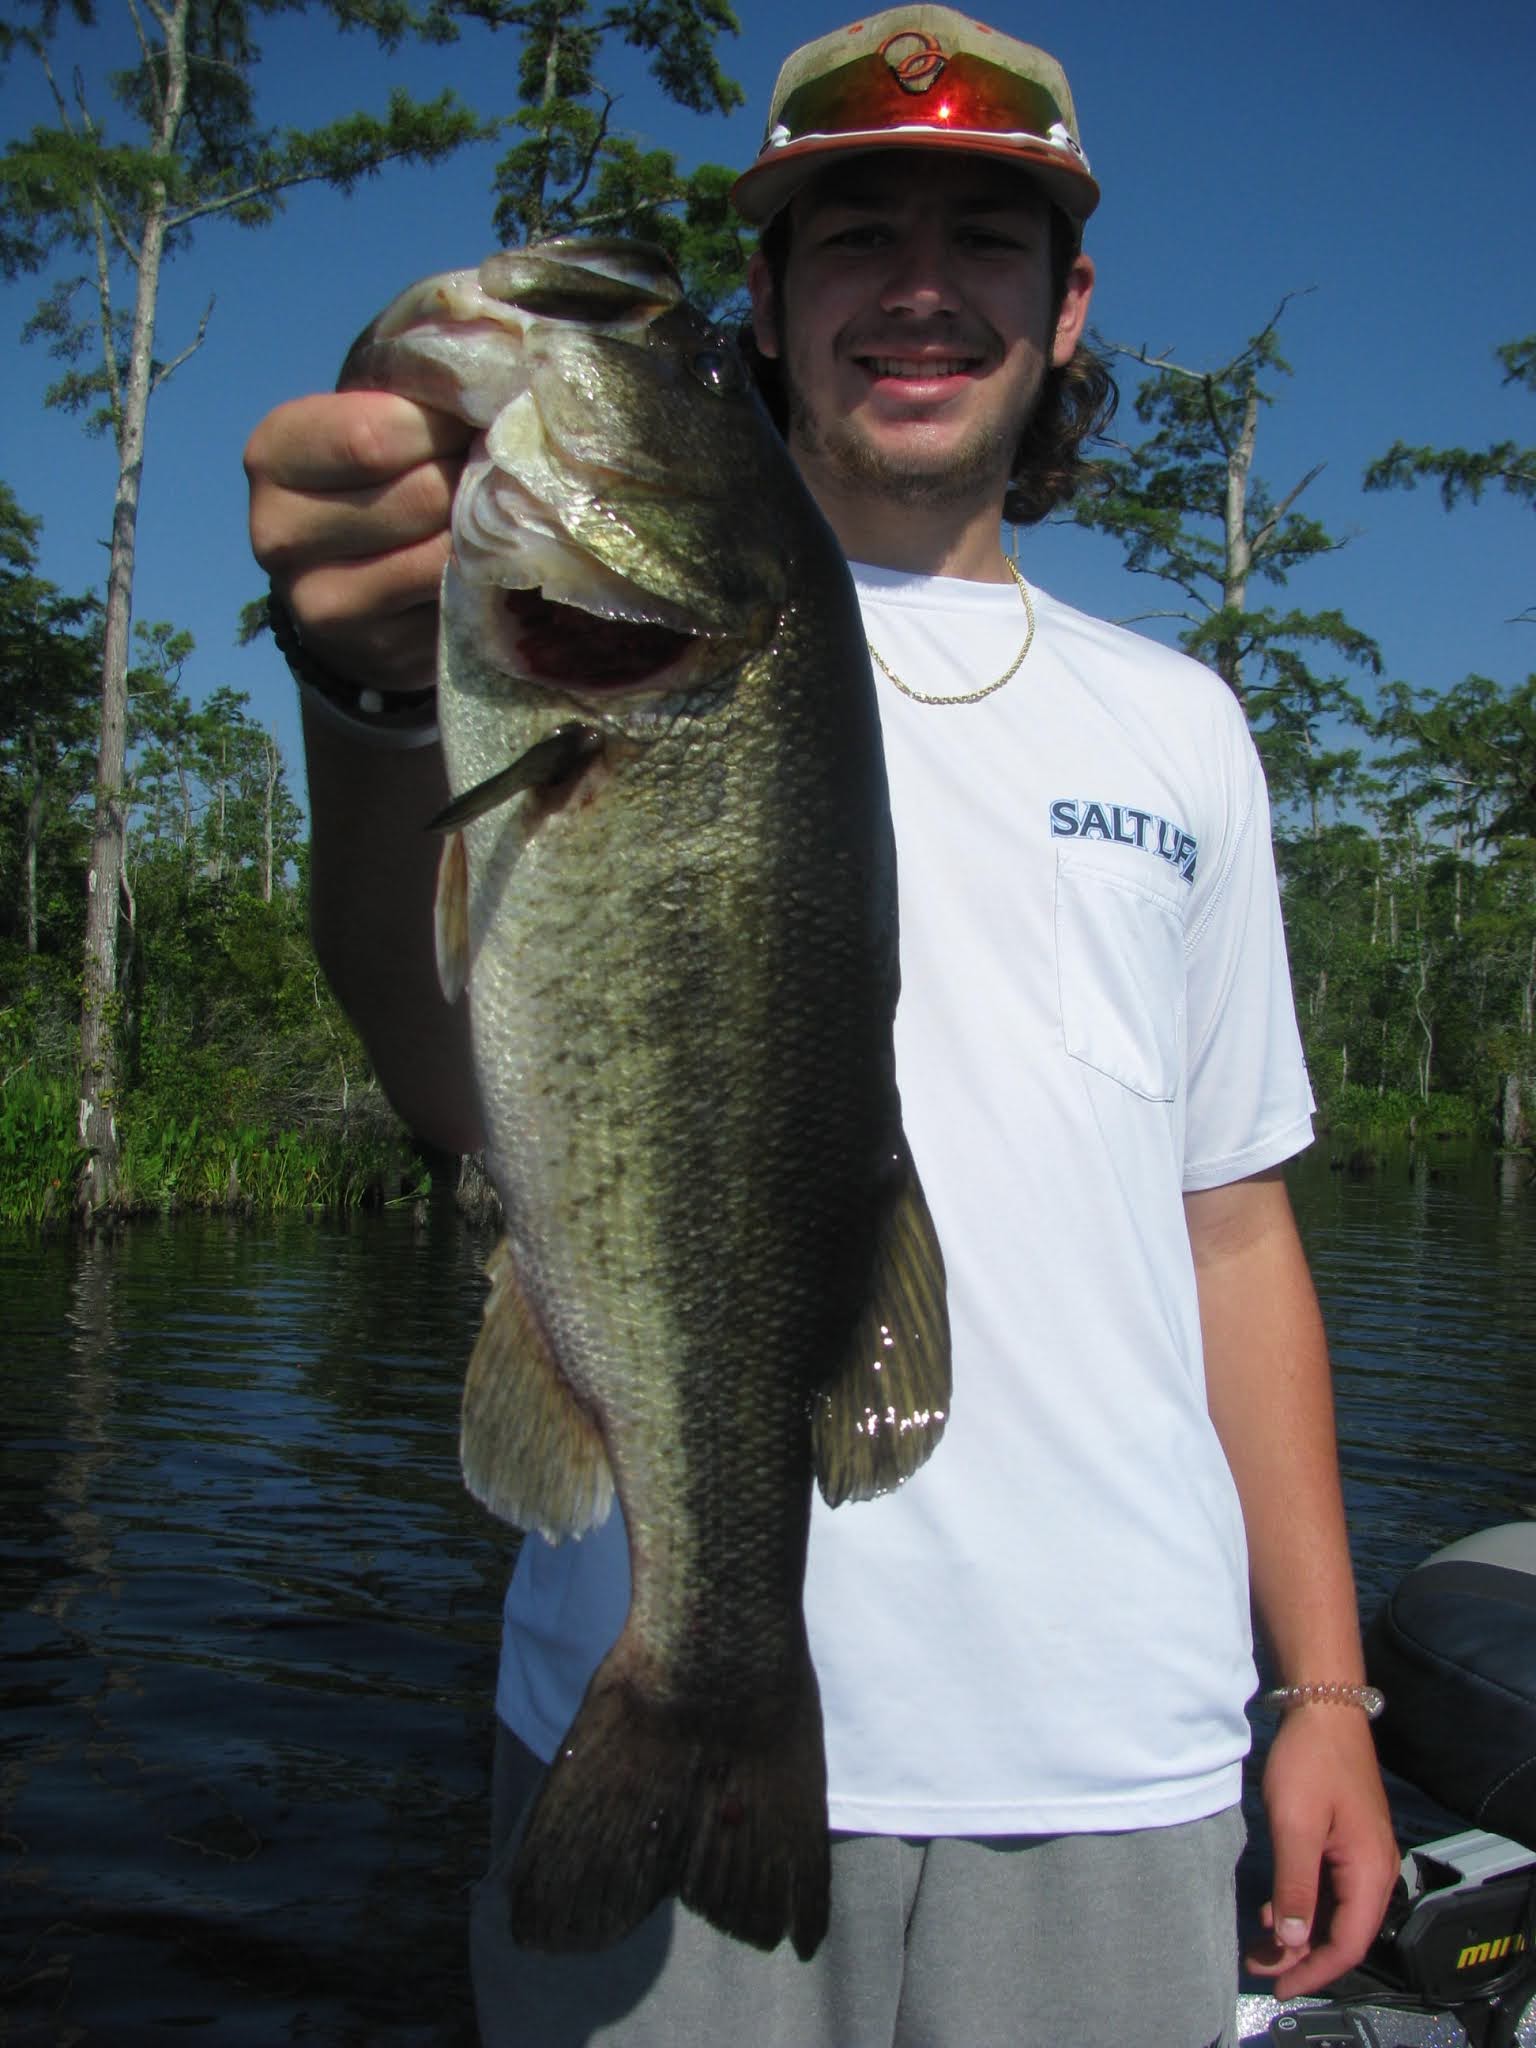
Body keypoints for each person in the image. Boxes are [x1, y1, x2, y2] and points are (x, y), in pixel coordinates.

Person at [245, 9, 1401, 2042]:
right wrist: (365, 704)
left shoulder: (1183, 728)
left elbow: (1238, 1233)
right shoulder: (584, 653)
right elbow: (448, 1074)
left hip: (1115, 1759)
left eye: (989, 235)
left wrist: (1324, 1693)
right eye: (856, 232)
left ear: (1069, 302)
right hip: (633, 1700)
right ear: (769, 301)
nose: (925, 286)